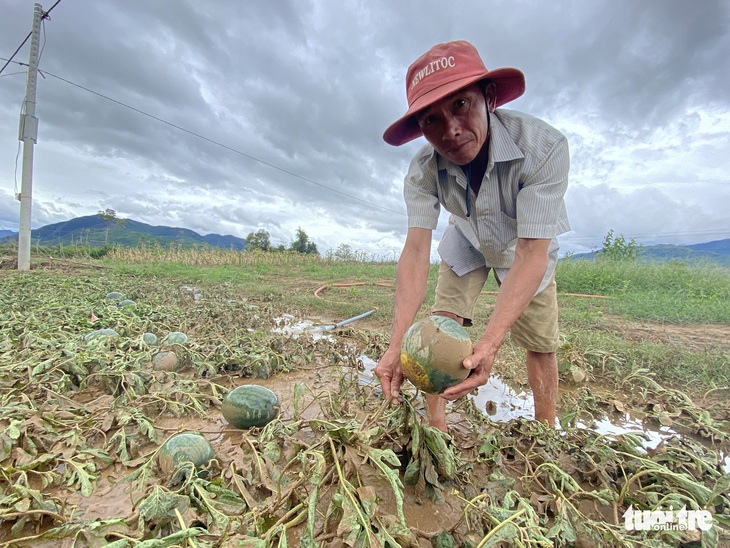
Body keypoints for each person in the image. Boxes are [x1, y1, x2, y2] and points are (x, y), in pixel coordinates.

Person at [375, 40, 570, 431]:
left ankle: (547, 430)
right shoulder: (423, 171)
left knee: (540, 342)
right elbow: (415, 252)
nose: (451, 131)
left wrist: (491, 341)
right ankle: (437, 425)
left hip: (524, 243)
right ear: (420, 128)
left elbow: (532, 254)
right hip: (465, 234)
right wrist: (397, 344)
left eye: (460, 105)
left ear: (489, 97)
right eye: (431, 120)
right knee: (440, 326)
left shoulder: (543, 149)